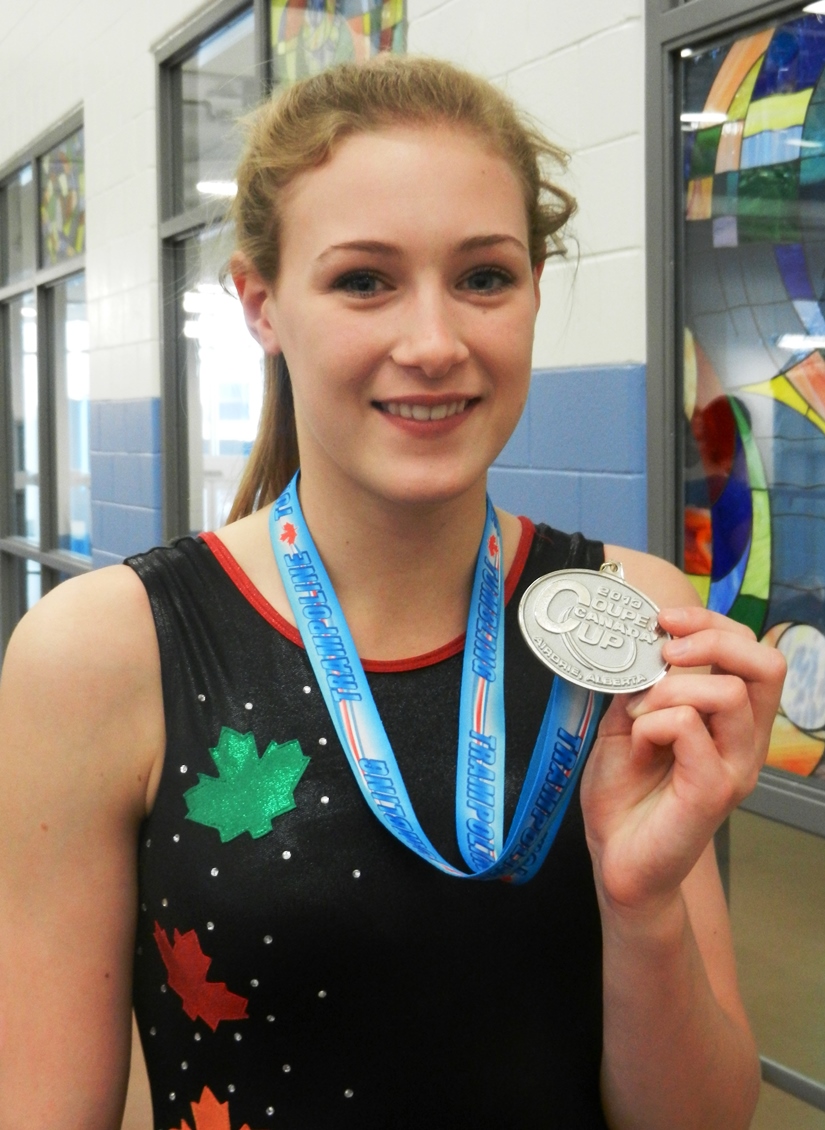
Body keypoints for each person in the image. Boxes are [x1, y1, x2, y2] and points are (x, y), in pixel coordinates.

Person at [0, 55, 785, 1130]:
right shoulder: (105, 654)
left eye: (484, 277)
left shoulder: (630, 615)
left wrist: (642, 904)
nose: (434, 342)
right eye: (364, 280)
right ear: (261, 303)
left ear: (534, 293)